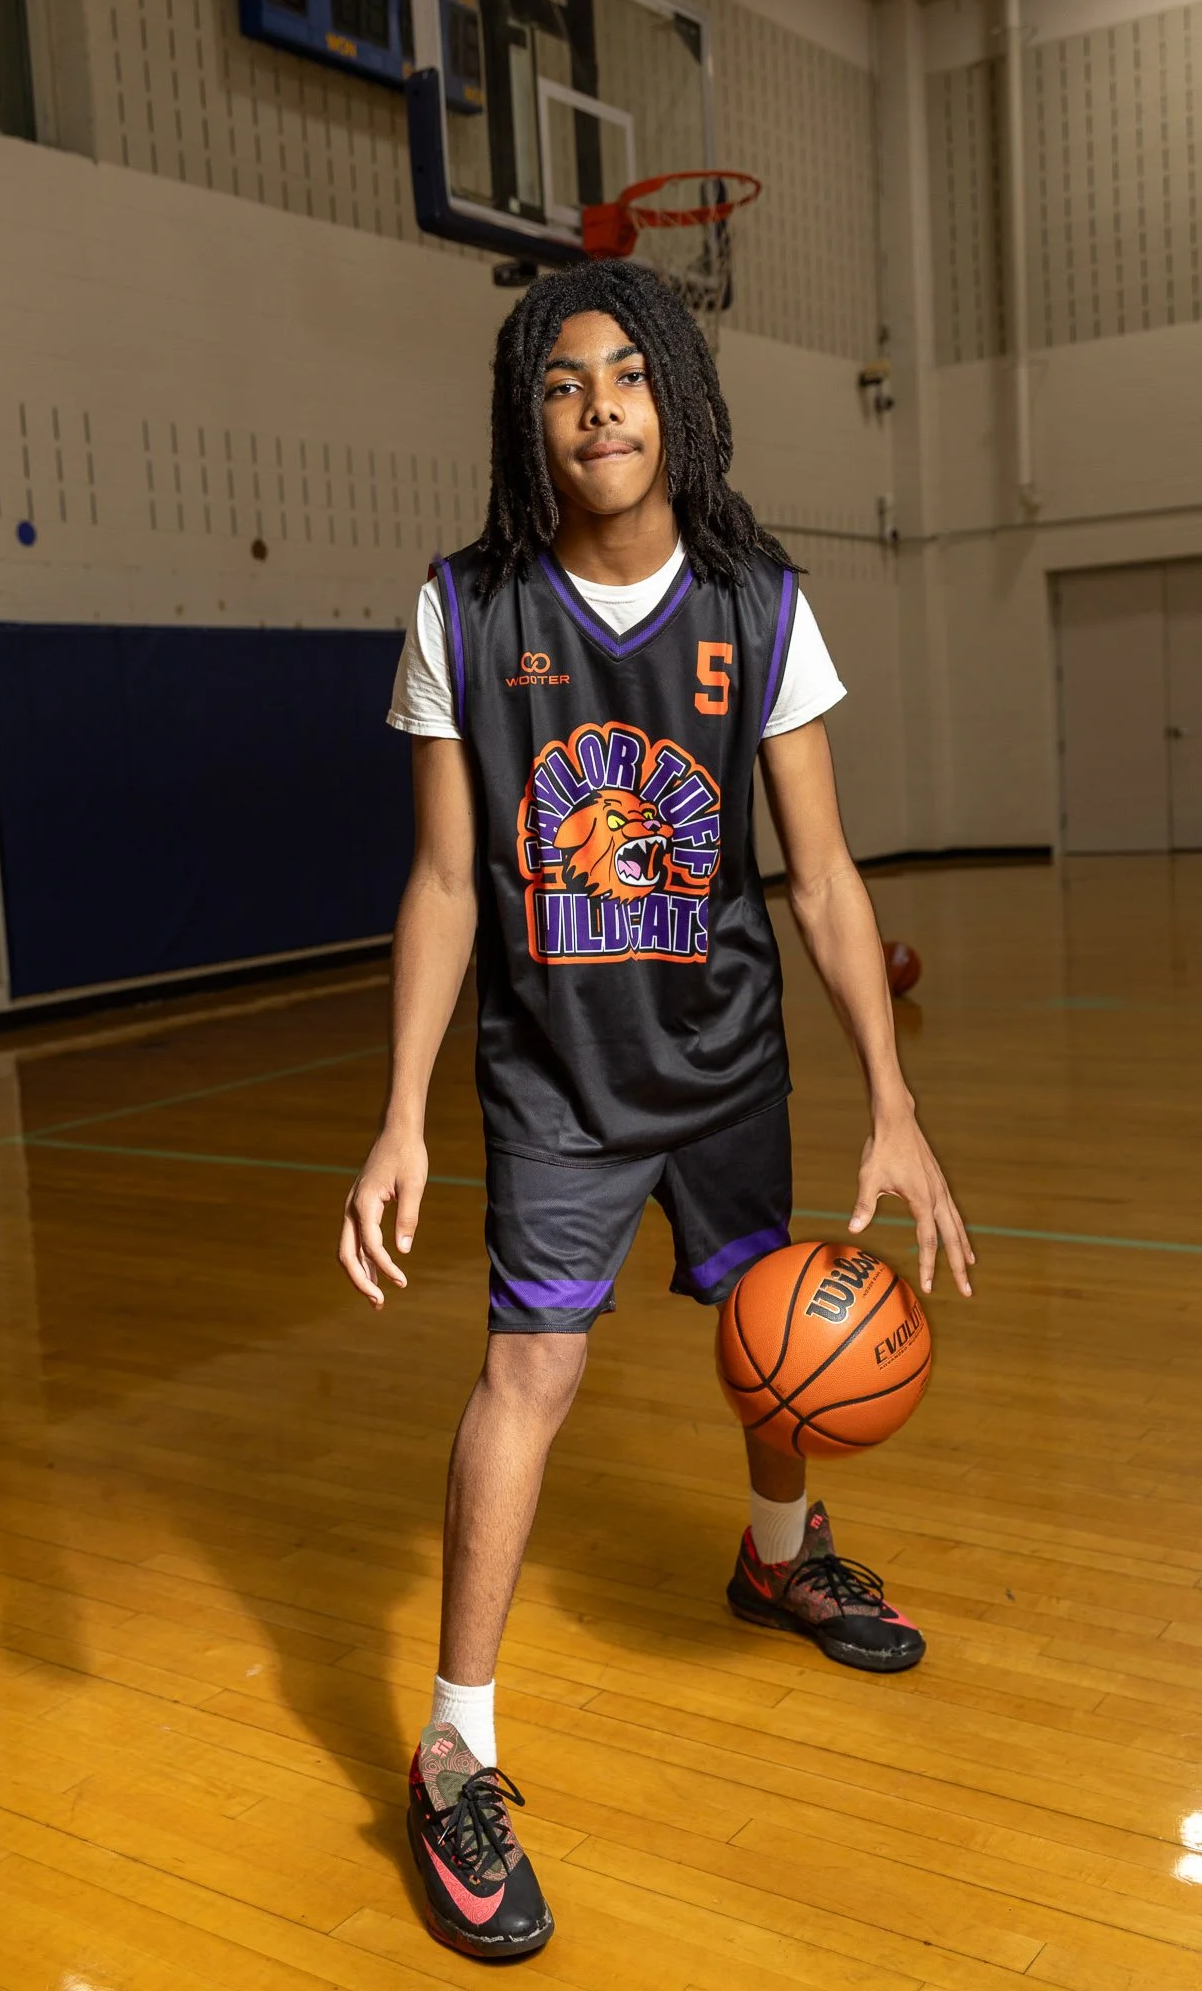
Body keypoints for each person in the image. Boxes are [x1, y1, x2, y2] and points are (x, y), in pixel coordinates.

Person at [339, 261, 973, 1960]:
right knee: (528, 1371)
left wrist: (892, 1103)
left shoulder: (761, 600)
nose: (598, 400)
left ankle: (778, 1554)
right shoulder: (463, 611)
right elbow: (445, 882)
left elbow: (826, 878)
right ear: (525, 419)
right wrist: (401, 1111)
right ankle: (453, 1742)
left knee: (773, 1320)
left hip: (723, 1051)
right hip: (556, 1070)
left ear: (679, 403)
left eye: (630, 372)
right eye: (563, 381)